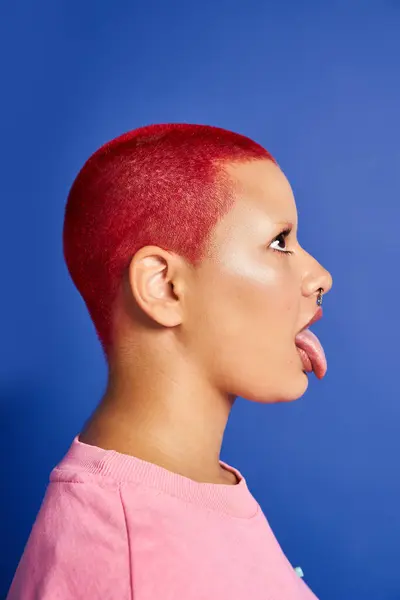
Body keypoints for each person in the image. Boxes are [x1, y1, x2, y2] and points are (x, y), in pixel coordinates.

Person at [7, 123, 333, 599]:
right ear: (163, 286)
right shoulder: (135, 565)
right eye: (279, 242)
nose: (320, 276)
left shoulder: (179, 493)